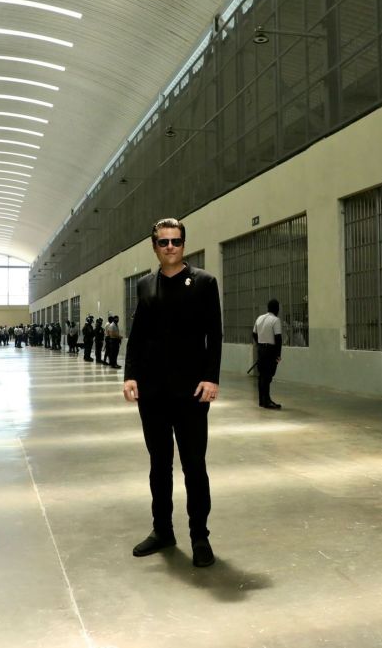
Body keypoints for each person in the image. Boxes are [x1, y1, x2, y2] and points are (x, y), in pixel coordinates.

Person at [123, 218, 222, 568]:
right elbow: (137, 335)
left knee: (194, 465)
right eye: (163, 242)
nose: (169, 248)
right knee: (159, 465)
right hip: (152, 391)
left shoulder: (205, 283)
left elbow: (215, 334)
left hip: (191, 391)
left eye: (175, 242)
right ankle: (162, 530)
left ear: (184, 245)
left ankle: (200, 536)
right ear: (154, 247)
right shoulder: (145, 285)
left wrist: (211, 378)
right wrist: (130, 374)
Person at [252, 299, 283, 409]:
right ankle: (267, 401)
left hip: (260, 349)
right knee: (268, 376)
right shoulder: (275, 320)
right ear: (277, 309)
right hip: (270, 350)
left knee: (262, 376)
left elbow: (254, 334)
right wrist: (278, 355)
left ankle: (262, 400)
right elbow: (278, 339)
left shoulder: (259, 318)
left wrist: (260, 344)